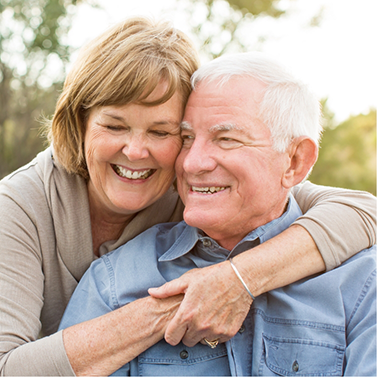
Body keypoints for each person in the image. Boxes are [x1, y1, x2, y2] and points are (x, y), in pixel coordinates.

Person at [0, 17, 375, 376]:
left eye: (163, 132)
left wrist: (236, 279)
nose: (135, 151)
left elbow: (361, 211)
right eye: (114, 125)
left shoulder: (194, 190)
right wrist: (182, 304)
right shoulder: (24, 212)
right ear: (79, 125)